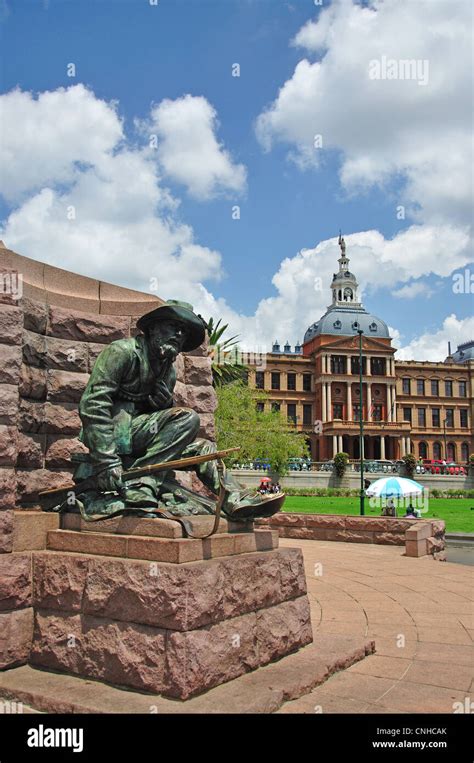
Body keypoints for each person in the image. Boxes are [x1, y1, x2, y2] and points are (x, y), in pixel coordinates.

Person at [72, 300, 284, 521]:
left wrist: (162, 405)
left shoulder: (168, 372)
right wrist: (106, 461)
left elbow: (160, 426)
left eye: (183, 331)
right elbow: (93, 404)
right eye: (173, 326)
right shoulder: (122, 352)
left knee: (204, 448)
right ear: (153, 327)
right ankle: (140, 483)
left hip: (139, 439)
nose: (179, 334)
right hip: (115, 436)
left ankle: (234, 499)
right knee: (188, 418)